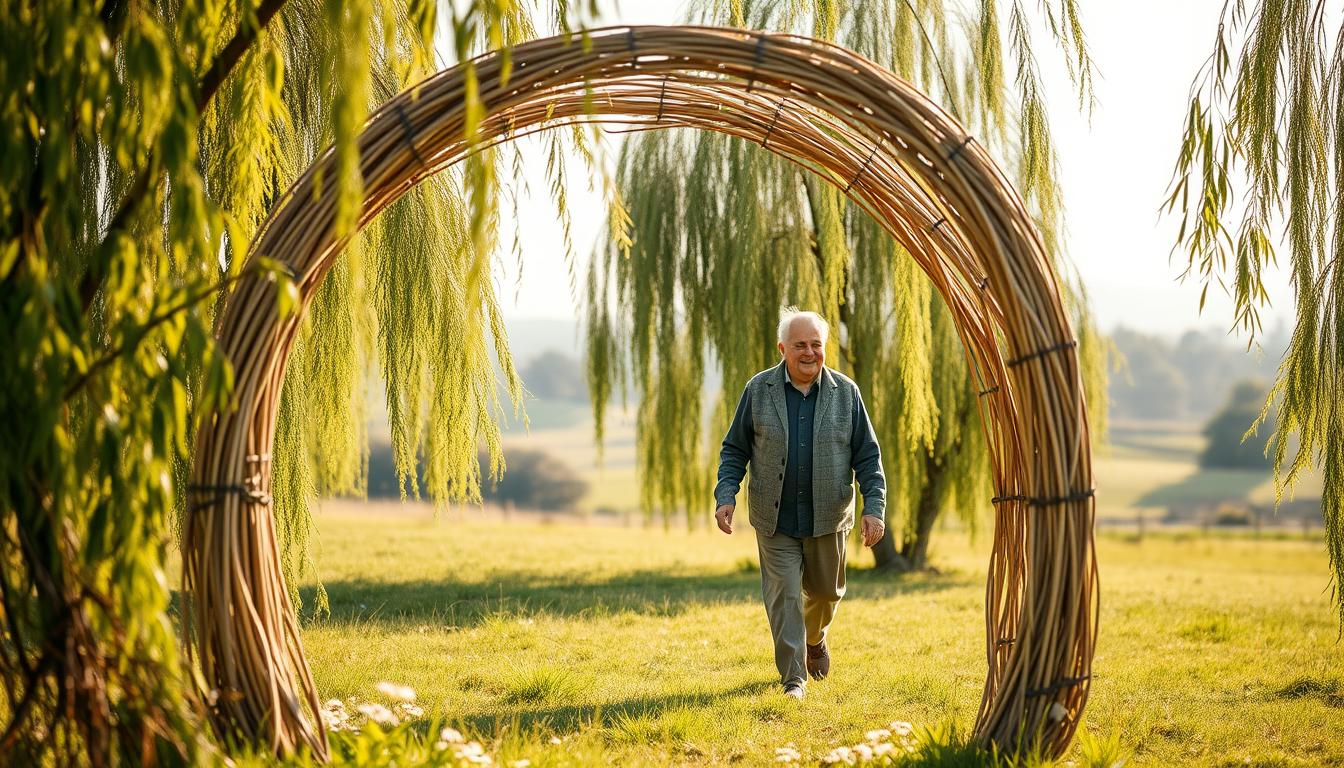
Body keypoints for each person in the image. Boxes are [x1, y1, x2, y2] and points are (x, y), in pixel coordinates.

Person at [713, 307, 887, 699]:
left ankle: (815, 638)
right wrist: (727, 494)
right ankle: (794, 680)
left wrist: (874, 507)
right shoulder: (759, 390)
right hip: (774, 518)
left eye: (816, 344)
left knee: (826, 594)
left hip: (828, 517)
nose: (809, 353)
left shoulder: (847, 394)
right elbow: (734, 449)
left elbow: (868, 458)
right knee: (785, 597)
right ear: (782, 348)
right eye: (800, 345)